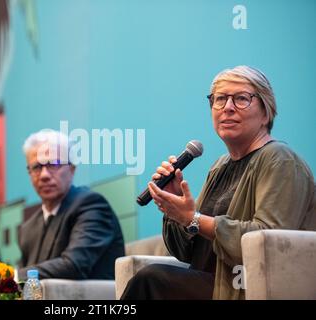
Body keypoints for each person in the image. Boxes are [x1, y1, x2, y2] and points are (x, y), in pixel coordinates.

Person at [121, 65, 316, 300]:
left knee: (150, 280)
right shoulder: (220, 167)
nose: (228, 108)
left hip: (243, 288)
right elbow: (187, 253)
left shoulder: (280, 159)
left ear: (266, 113)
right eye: (220, 99)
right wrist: (176, 212)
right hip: (212, 283)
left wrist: (192, 218)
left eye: (242, 99)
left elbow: (269, 241)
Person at [17, 130, 125, 280]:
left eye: (53, 164)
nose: (44, 175)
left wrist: (14, 277)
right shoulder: (28, 228)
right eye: (36, 167)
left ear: (72, 169)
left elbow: (74, 266)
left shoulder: (91, 205)